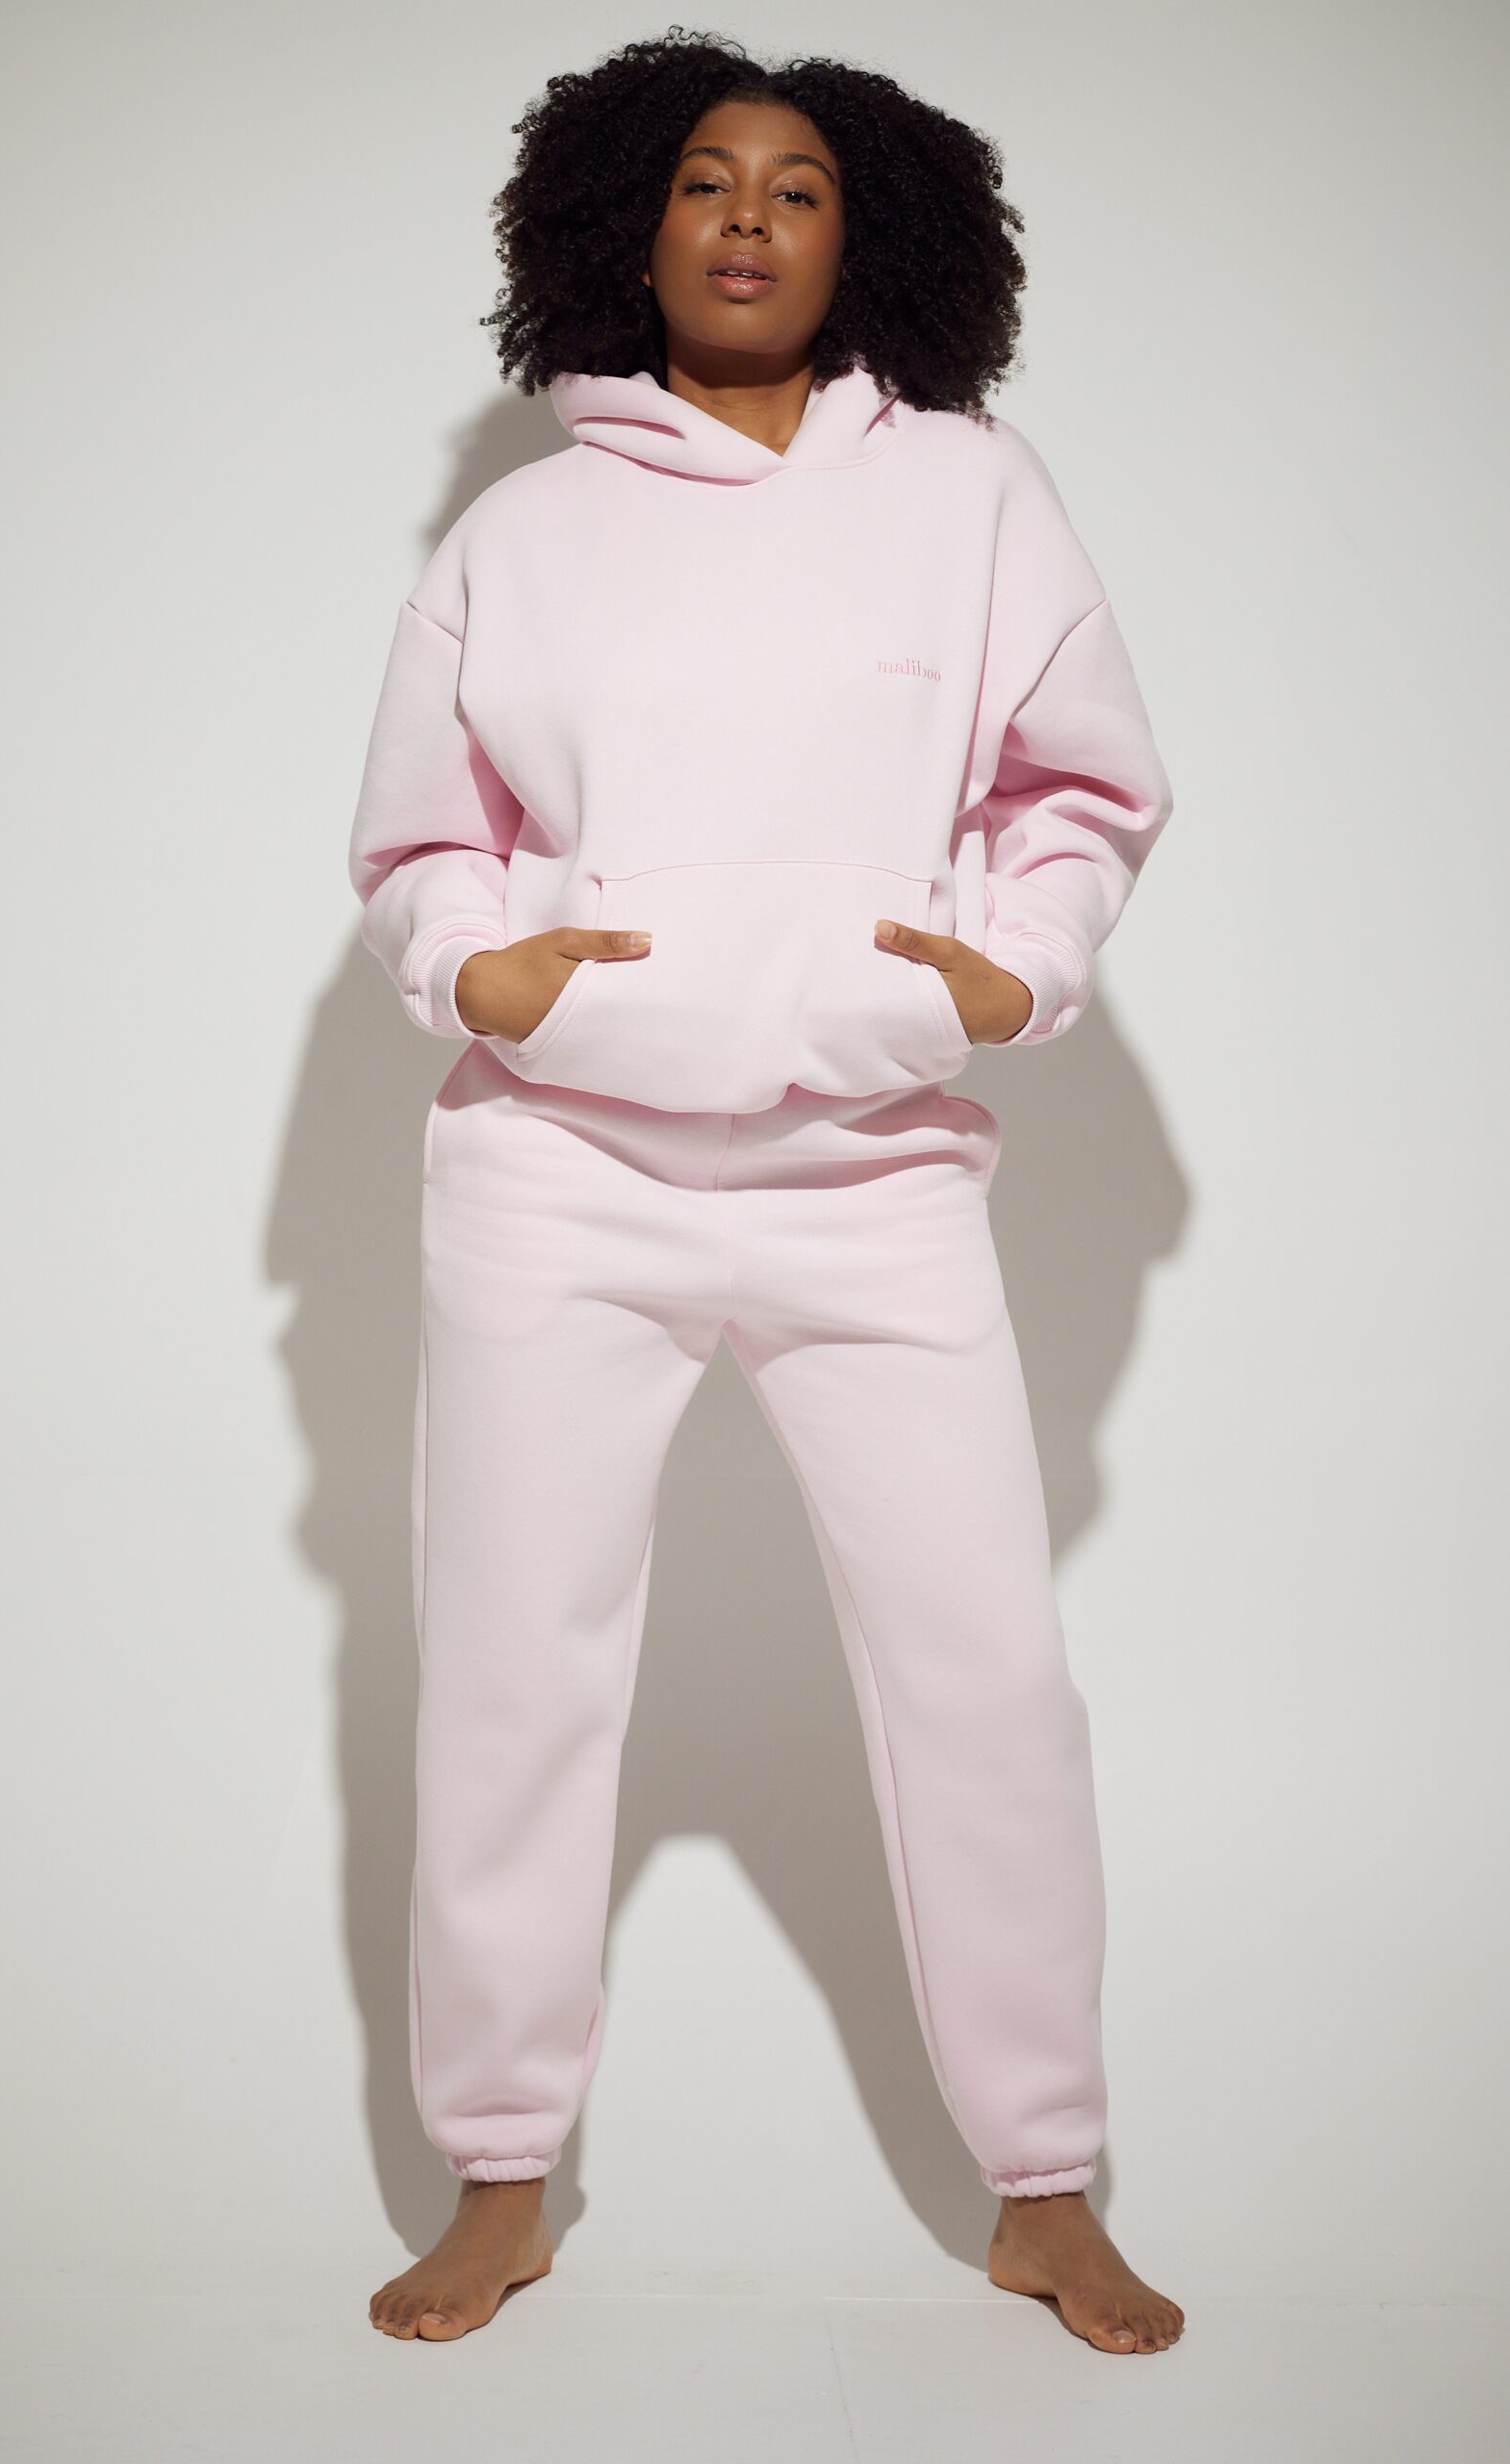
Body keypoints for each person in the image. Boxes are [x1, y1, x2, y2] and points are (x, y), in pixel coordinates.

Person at [351, 32, 1184, 2356]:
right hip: (554, 1176)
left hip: (870, 1177)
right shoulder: (518, 533)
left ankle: (1043, 2183)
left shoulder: (969, 493)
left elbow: (1078, 787)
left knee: (983, 1677)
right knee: (511, 1677)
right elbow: (419, 835)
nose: (744, 215)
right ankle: (496, 2169)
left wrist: (1006, 971)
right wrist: (476, 964)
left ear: (865, 234)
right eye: (703, 178)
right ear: (622, 223)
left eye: (796, 186)